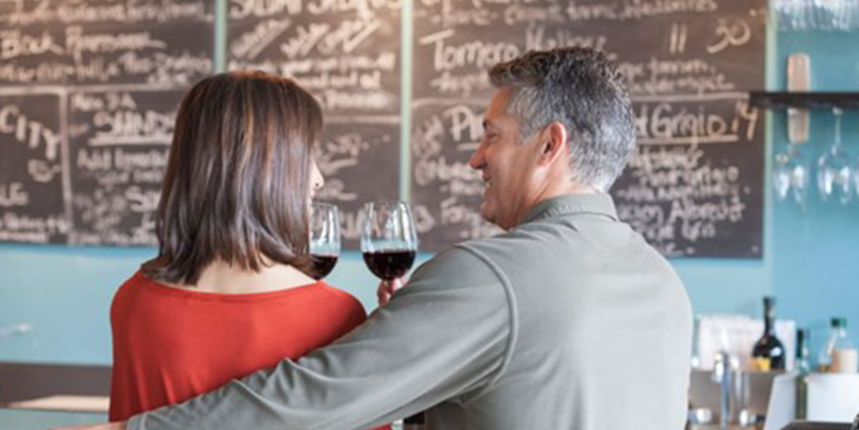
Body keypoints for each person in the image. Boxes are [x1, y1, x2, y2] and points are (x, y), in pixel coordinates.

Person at [59, 47, 692, 430]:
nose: (475, 158)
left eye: (491, 134)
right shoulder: (662, 283)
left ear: (550, 145)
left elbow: (308, 404)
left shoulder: (487, 276)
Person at [104, 71, 387, 430]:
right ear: (268, 168)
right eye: (306, 155)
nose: (317, 178)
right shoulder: (332, 314)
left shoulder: (133, 301)